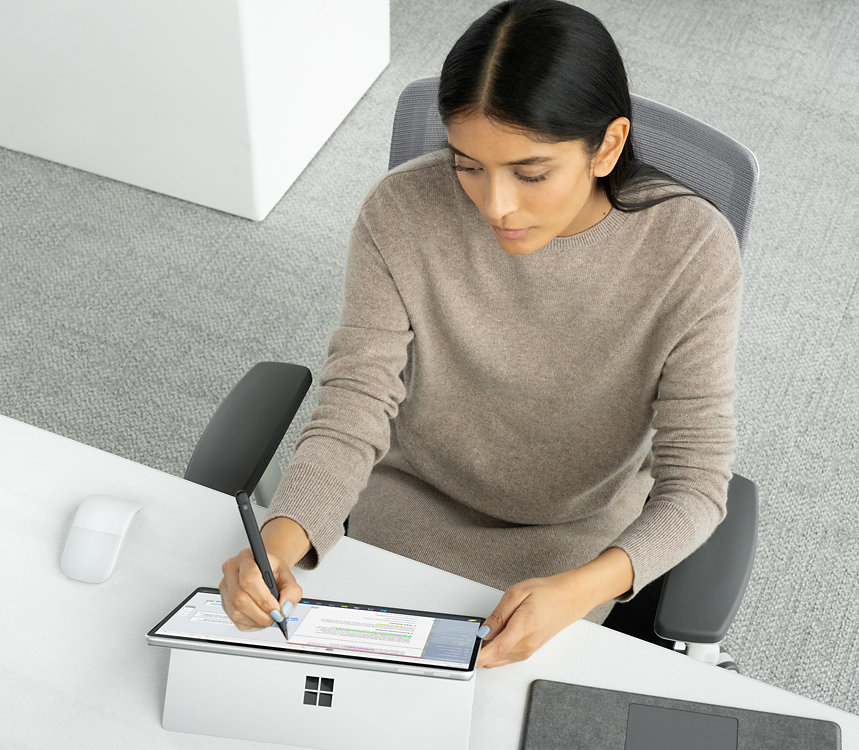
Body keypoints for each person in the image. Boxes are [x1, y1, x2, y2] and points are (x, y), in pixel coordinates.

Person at [219, 0, 741, 670]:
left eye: (530, 173)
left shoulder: (690, 251)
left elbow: (695, 481)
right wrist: (279, 543)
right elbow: (353, 410)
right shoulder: (400, 211)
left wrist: (582, 587)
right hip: (404, 511)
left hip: (573, 542)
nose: (494, 204)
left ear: (606, 146)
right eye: (466, 163)